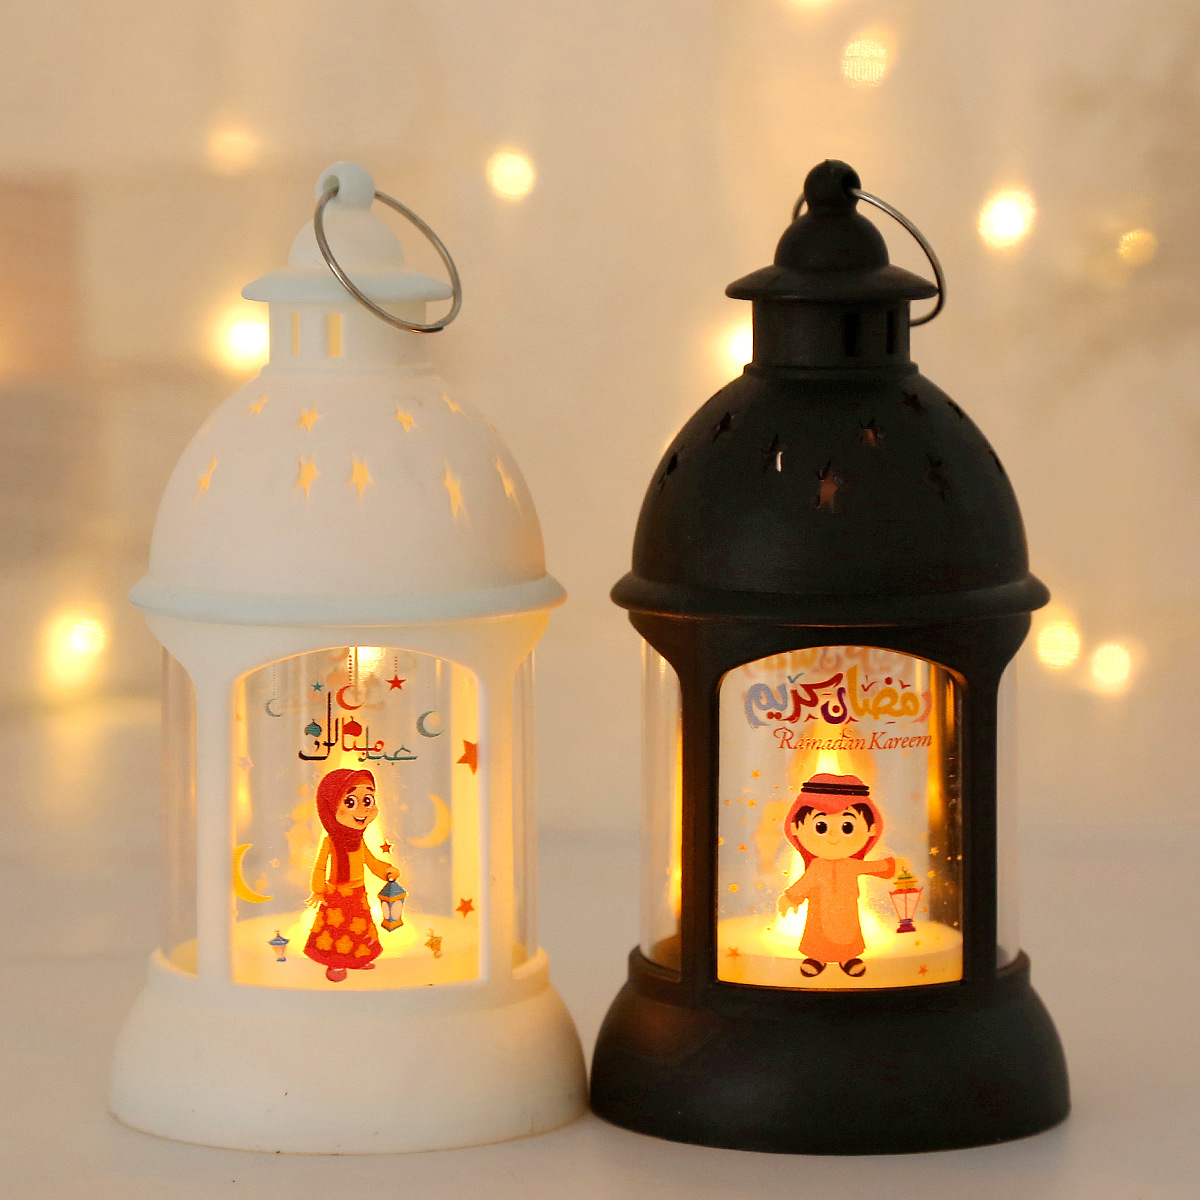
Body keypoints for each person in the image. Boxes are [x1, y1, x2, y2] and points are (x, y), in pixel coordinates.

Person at [777, 772, 898, 979]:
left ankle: (848, 958)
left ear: (871, 829)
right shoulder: (817, 867)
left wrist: (892, 866)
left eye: (847, 827)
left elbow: (872, 867)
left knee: (848, 933)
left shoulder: (851, 865)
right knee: (818, 934)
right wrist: (790, 897)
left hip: (847, 911)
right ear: (795, 828)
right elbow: (805, 884)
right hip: (819, 911)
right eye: (821, 826)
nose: (833, 835)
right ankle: (817, 958)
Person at [304, 767, 399, 982]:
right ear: (331, 807)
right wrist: (318, 889)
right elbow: (320, 866)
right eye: (350, 802)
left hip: (357, 893)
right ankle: (336, 963)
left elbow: (371, 861)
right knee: (335, 931)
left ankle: (358, 958)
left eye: (368, 800)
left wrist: (386, 871)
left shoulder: (358, 840)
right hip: (336, 894)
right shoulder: (331, 841)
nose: (364, 810)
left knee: (360, 929)